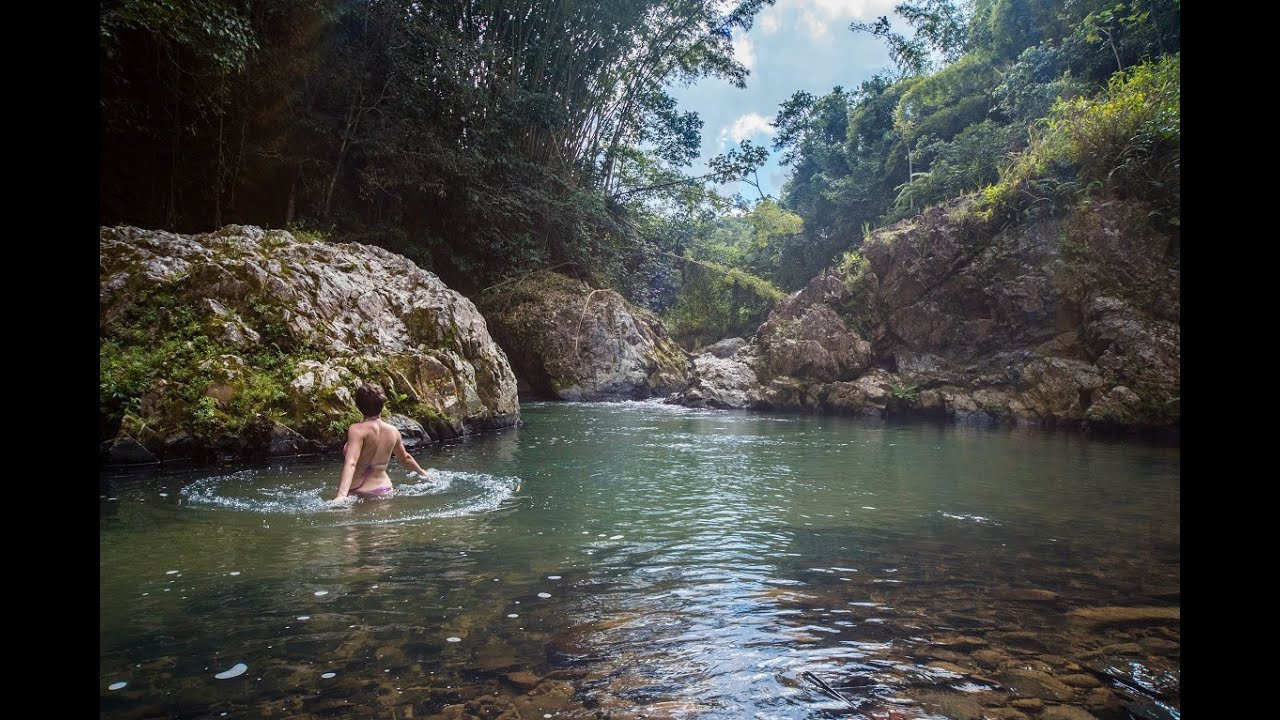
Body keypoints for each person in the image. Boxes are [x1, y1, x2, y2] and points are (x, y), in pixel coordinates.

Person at [332, 384, 430, 501]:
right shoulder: (393, 431)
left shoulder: (357, 430)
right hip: (385, 490)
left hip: (360, 492)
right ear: (382, 404)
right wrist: (423, 473)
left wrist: (341, 495)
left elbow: (351, 463)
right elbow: (405, 458)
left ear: (358, 405)